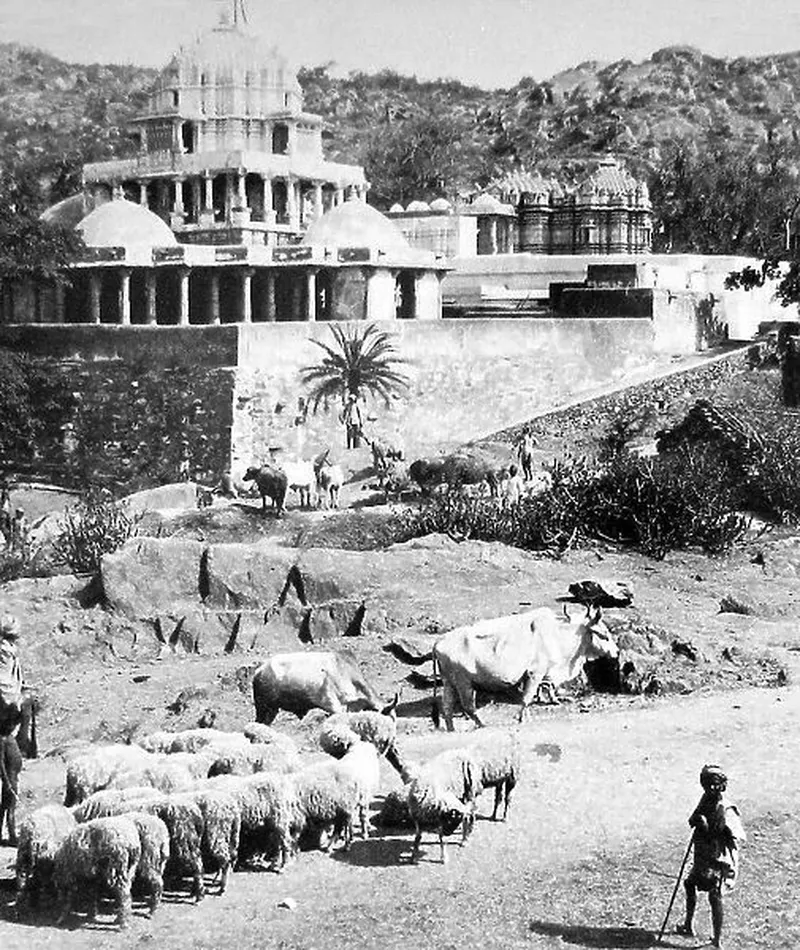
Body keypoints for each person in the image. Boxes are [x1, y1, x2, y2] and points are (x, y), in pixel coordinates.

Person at [676, 765, 746, 949]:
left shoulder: (725, 809)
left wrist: (706, 826)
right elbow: (693, 819)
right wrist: (697, 821)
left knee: (715, 896)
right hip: (703, 855)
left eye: (714, 785)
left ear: (722, 786)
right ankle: (688, 925)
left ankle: (717, 940)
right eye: (707, 785)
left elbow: (729, 836)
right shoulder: (706, 799)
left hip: (718, 858)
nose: (711, 789)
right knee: (690, 884)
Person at [0, 616, 24, 736]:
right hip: (5, 699)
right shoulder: (4, 651)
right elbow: (3, 680)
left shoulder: (10, 649)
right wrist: (11, 700)